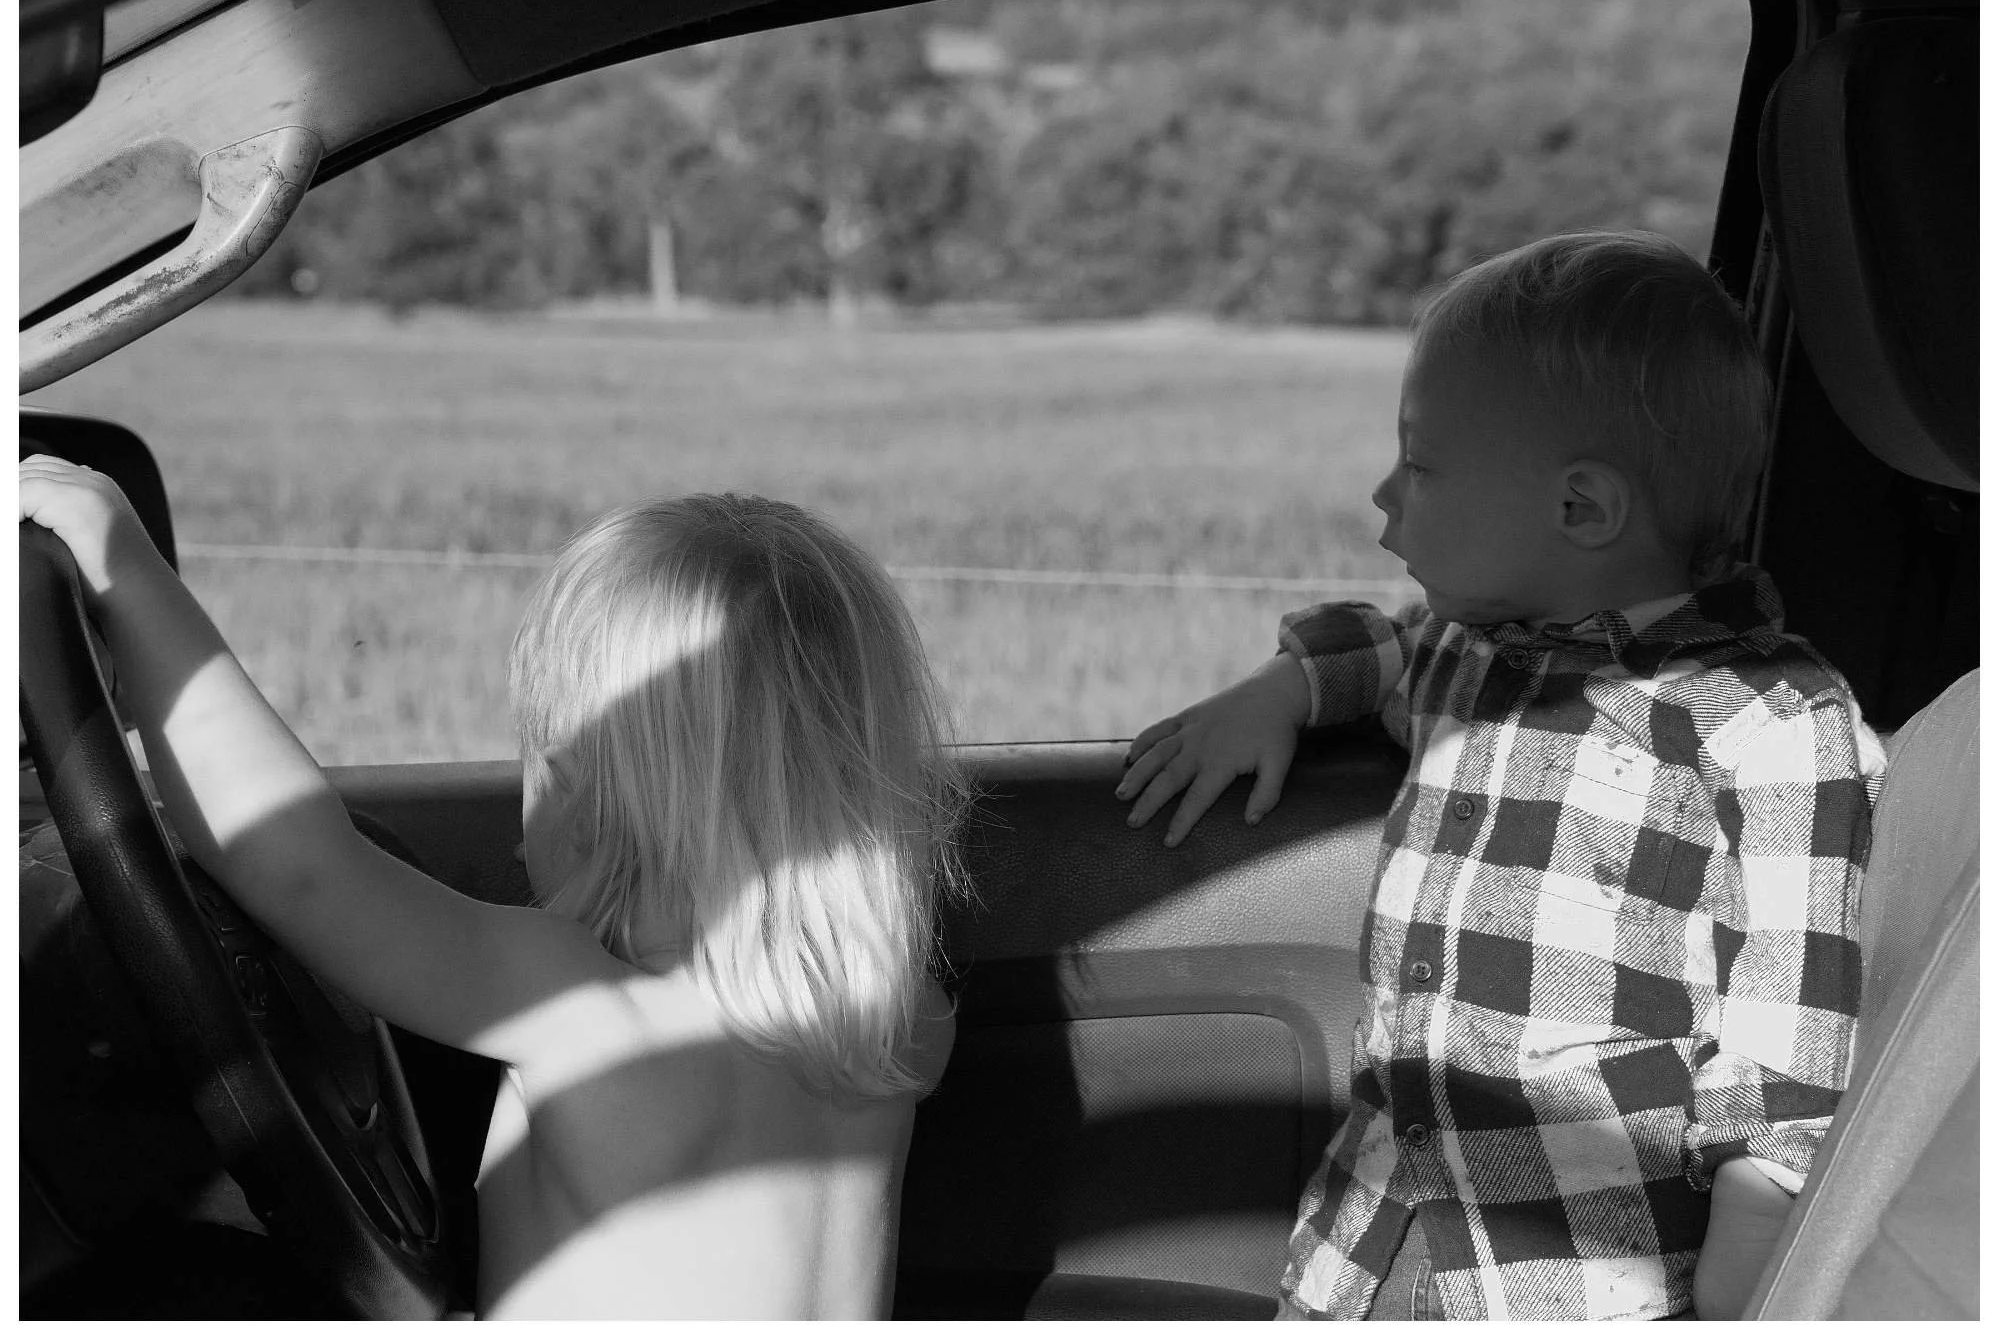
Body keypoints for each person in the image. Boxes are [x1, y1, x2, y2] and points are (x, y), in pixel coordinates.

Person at [1113, 231, 1882, 1321]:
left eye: (1419, 465)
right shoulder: (1460, 655)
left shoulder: (1772, 724)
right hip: (1367, 1243)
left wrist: (1747, 1269)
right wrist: (1279, 690)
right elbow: (1377, 648)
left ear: (1578, 510)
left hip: (1576, 1281)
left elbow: (1782, 1039)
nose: (1384, 496)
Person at [19, 465, 969, 1319]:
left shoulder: (585, 1005)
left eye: (539, 756)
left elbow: (301, 868)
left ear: (593, 792)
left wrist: (129, 568)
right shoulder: (902, 1022)